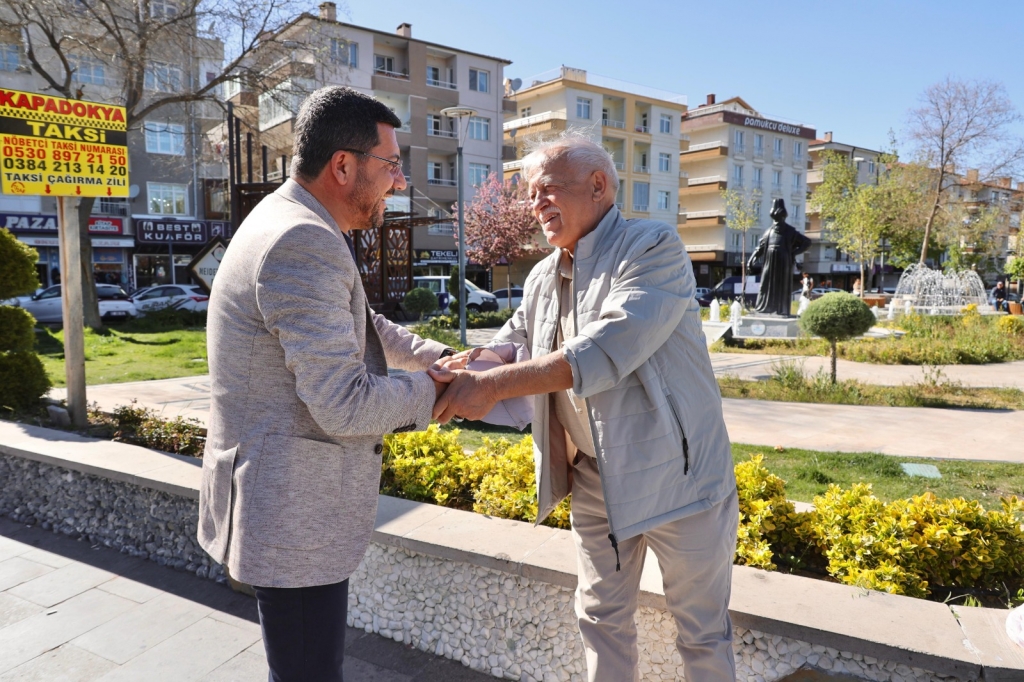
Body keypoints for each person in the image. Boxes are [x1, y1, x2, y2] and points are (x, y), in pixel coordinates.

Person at [431, 131, 738, 681]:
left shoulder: (652, 246)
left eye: (547, 189)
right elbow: (515, 341)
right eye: (530, 195)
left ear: (598, 185)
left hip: (682, 479)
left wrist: (493, 385)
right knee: (600, 619)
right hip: (597, 480)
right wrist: (468, 365)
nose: (536, 204)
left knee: (702, 632)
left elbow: (604, 349)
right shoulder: (542, 275)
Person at [198, 86, 452, 682]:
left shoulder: (292, 218)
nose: (399, 183)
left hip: (282, 503)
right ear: (343, 165)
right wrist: (438, 392)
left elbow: (362, 325)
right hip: (292, 517)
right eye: (391, 165)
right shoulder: (303, 239)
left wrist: (442, 357)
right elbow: (344, 403)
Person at [747, 198, 811, 316]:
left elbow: (807, 242)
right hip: (769, 261)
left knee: (781, 285)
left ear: (783, 216)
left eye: (779, 215)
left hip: (783, 261)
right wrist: (751, 260)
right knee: (765, 284)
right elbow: (760, 247)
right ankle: (764, 308)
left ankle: (780, 309)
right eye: (775, 216)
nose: (777, 219)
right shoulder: (768, 231)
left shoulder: (790, 231)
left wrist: (793, 252)